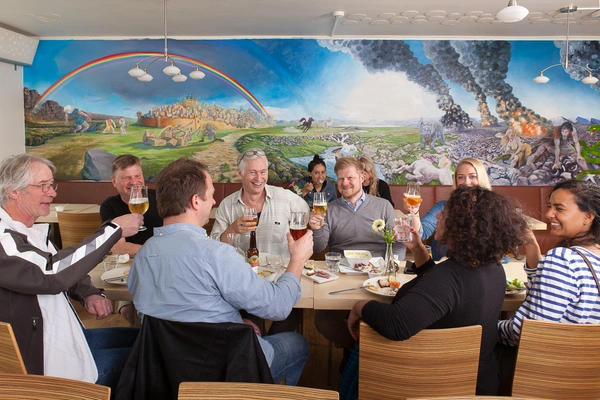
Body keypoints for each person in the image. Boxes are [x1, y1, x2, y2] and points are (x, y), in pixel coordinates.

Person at [128, 157, 313, 385]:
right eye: (211, 195)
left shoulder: (143, 256)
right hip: (228, 371)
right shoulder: (216, 254)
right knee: (298, 344)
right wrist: (298, 259)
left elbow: (174, 316)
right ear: (196, 201)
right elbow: (279, 306)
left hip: (166, 373)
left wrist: (232, 323)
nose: (214, 201)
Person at [348, 186, 528, 395]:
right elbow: (442, 294)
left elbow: (396, 324)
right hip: (475, 382)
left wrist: (360, 307)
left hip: (429, 385)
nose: (439, 216)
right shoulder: (492, 268)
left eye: (446, 213)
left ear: (461, 225)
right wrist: (418, 248)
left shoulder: (449, 278)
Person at [0, 153, 142, 392]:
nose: (53, 193)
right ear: (13, 191)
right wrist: (113, 230)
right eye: (43, 186)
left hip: (65, 337)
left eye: (51, 185)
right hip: (46, 366)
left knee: (145, 339)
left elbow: (59, 264)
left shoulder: (26, 231)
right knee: (150, 357)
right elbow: (50, 273)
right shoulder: (4, 240)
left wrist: (87, 292)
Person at [497, 179, 600, 392]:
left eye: (559, 209)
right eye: (550, 206)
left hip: (550, 377)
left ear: (588, 217)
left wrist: (486, 326)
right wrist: (533, 247)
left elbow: (526, 332)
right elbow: (550, 300)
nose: (549, 214)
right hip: (587, 378)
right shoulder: (591, 256)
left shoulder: (563, 259)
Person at [309, 157, 405, 362]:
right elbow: (318, 247)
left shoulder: (383, 206)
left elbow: (398, 243)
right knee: (324, 321)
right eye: (340, 179)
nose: (345, 183)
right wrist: (316, 229)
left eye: (350, 178)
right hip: (341, 275)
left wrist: (392, 266)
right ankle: (356, 349)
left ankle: (361, 357)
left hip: (378, 276)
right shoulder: (329, 209)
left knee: (394, 317)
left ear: (362, 177)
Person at [210, 148, 309, 334]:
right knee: (251, 329)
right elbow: (215, 251)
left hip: (281, 281)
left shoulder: (286, 198)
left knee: (289, 318)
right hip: (245, 285)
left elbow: (306, 218)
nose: (259, 178)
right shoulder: (227, 205)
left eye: (263, 172)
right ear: (240, 173)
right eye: (253, 172)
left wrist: (316, 222)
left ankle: (270, 347)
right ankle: (259, 346)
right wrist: (232, 230)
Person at [100, 154, 163, 325]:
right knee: (128, 311)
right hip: (129, 269)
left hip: (161, 267)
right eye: (126, 178)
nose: (134, 182)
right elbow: (117, 247)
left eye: (138, 176)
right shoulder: (109, 206)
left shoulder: (160, 198)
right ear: (114, 181)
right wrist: (154, 251)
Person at [416, 158, 491, 260]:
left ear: (481, 179)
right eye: (461, 177)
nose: (466, 182)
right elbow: (422, 233)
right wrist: (414, 211)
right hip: (442, 265)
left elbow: (503, 253)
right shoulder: (443, 207)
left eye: (472, 176)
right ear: (456, 181)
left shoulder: (493, 209)